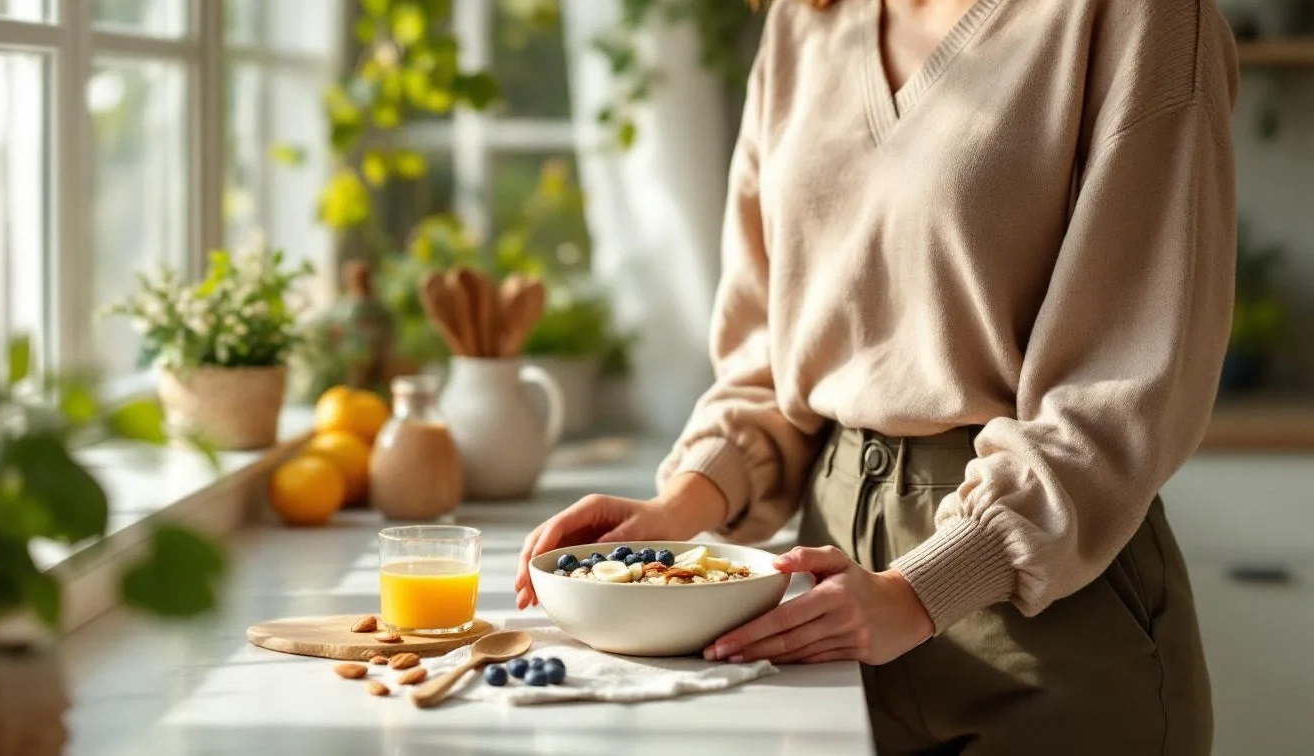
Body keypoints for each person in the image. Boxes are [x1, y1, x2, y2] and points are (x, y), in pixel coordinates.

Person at [516, 0, 1237, 752]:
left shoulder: (1139, 18)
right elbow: (771, 351)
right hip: (823, 607)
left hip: (1045, 624)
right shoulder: (805, 20)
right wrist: (673, 515)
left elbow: (1121, 384)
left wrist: (920, 590)